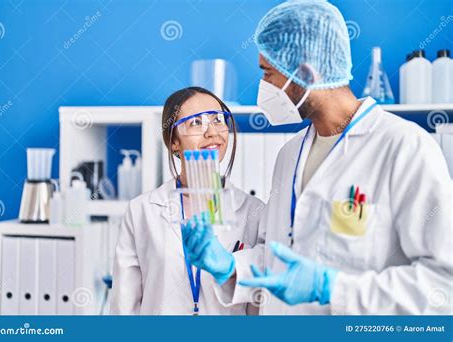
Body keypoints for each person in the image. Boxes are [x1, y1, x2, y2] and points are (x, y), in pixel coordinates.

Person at [181, 0, 452, 314]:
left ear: (307, 73)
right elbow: (278, 258)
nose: (263, 88)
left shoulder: (403, 147)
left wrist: (332, 288)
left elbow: (442, 284)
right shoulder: (289, 154)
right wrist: (228, 266)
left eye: (268, 74)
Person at [110, 87, 264, 315]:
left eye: (218, 120)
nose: (212, 132)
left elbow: (260, 300)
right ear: (174, 141)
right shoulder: (142, 211)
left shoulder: (254, 211)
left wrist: (233, 267)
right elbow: (124, 306)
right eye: (196, 123)